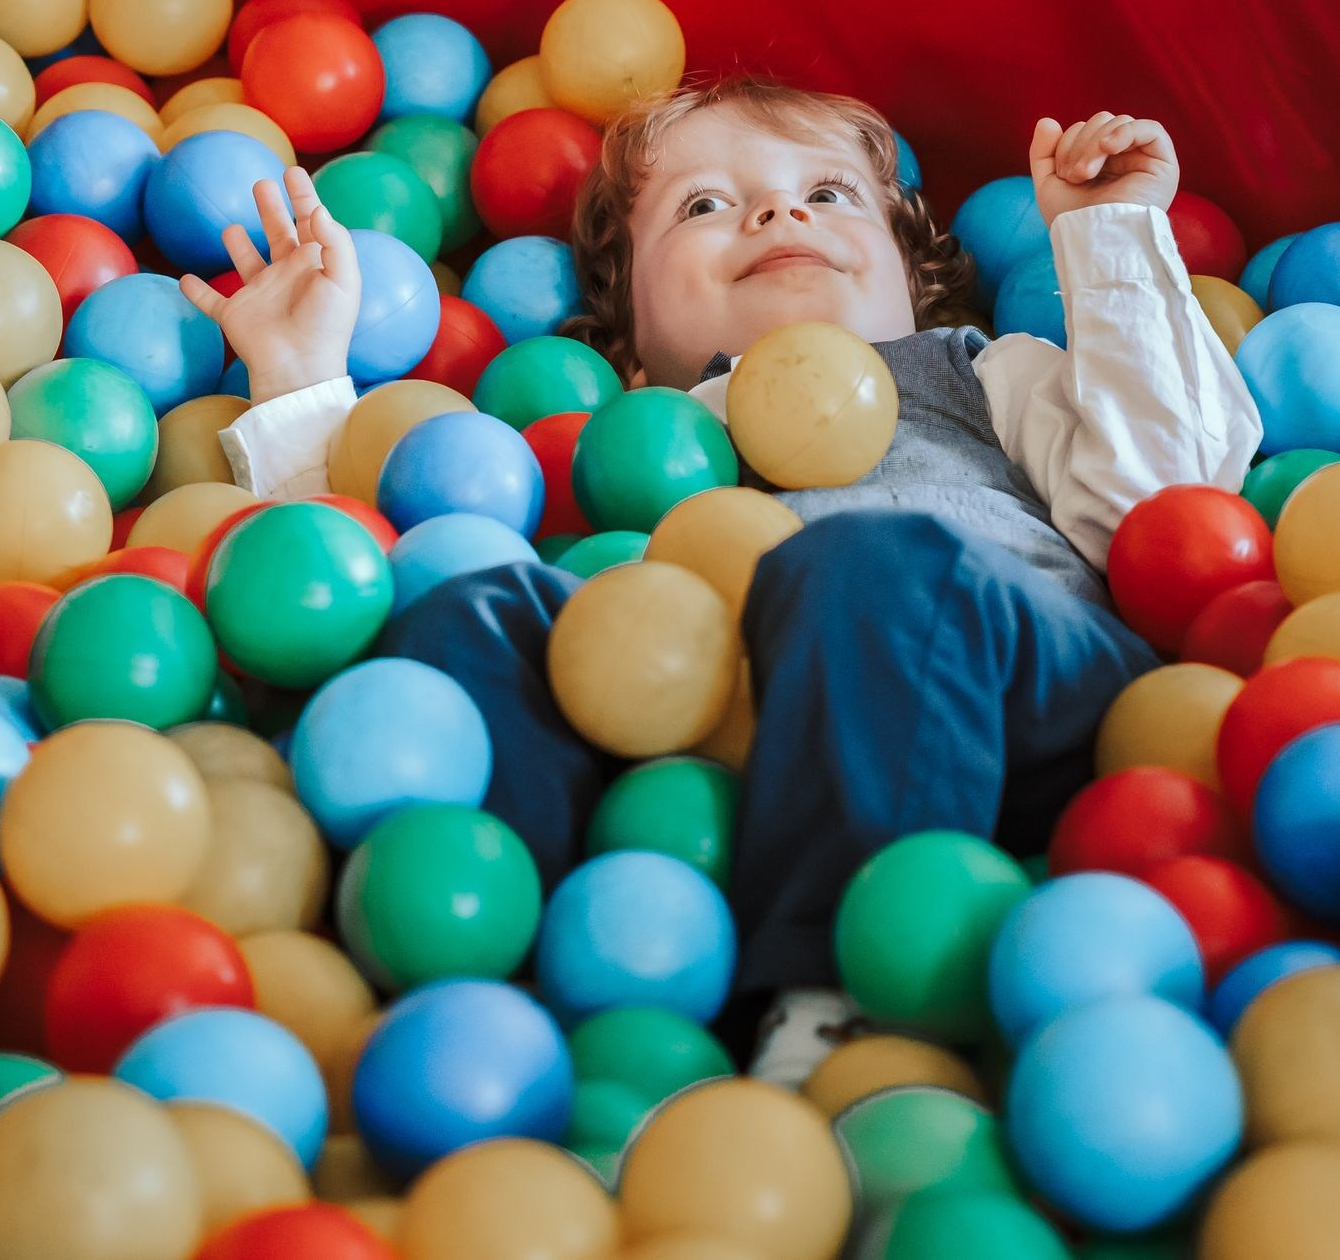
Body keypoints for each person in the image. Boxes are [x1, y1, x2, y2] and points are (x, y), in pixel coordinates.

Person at [180, 76, 1260, 1079]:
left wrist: (1107, 232)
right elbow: (383, 575)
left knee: (870, 563)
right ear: (633, 350)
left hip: (1016, 696)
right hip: (707, 758)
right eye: (703, 207)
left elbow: (1164, 502)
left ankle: (836, 1021)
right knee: (480, 615)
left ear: (911, 279)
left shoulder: (981, 370)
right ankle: (484, 1020)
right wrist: (297, 378)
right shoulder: (629, 436)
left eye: (828, 194)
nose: (779, 217)